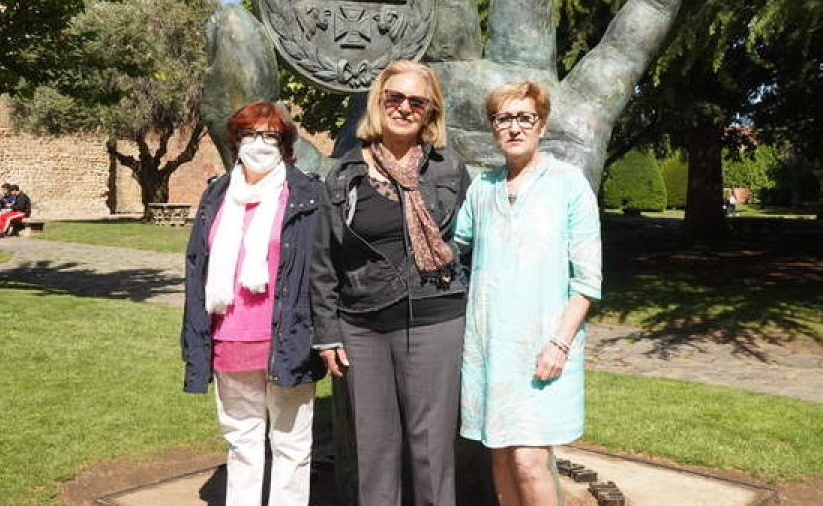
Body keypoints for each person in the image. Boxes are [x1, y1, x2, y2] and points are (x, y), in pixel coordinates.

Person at [311, 59, 470, 506]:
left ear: (431, 111)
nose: (404, 107)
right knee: (375, 449)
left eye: (416, 100)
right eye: (394, 97)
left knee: (431, 450)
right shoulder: (345, 173)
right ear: (379, 103)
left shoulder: (448, 169)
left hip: (435, 317)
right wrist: (326, 334)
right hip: (362, 325)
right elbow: (324, 260)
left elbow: (474, 243)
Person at [454, 81, 602, 505]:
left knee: (529, 460)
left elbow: (588, 281)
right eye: (504, 118)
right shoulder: (483, 188)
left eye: (525, 118)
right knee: (499, 454)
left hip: (543, 348)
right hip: (489, 350)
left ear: (542, 126)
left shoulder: (568, 184)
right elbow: (452, 245)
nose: (514, 128)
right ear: (493, 127)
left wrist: (560, 343)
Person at [180, 101, 325, 506]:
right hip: (230, 336)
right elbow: (197, 266)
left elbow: (321, 269)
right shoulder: (216, 194)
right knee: (242, 443)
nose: (259, 143)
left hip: (288, 337)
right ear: (236, 140)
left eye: (270, 135)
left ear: (284, 144)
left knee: (291, 446)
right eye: (250, 134)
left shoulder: (308, 194)